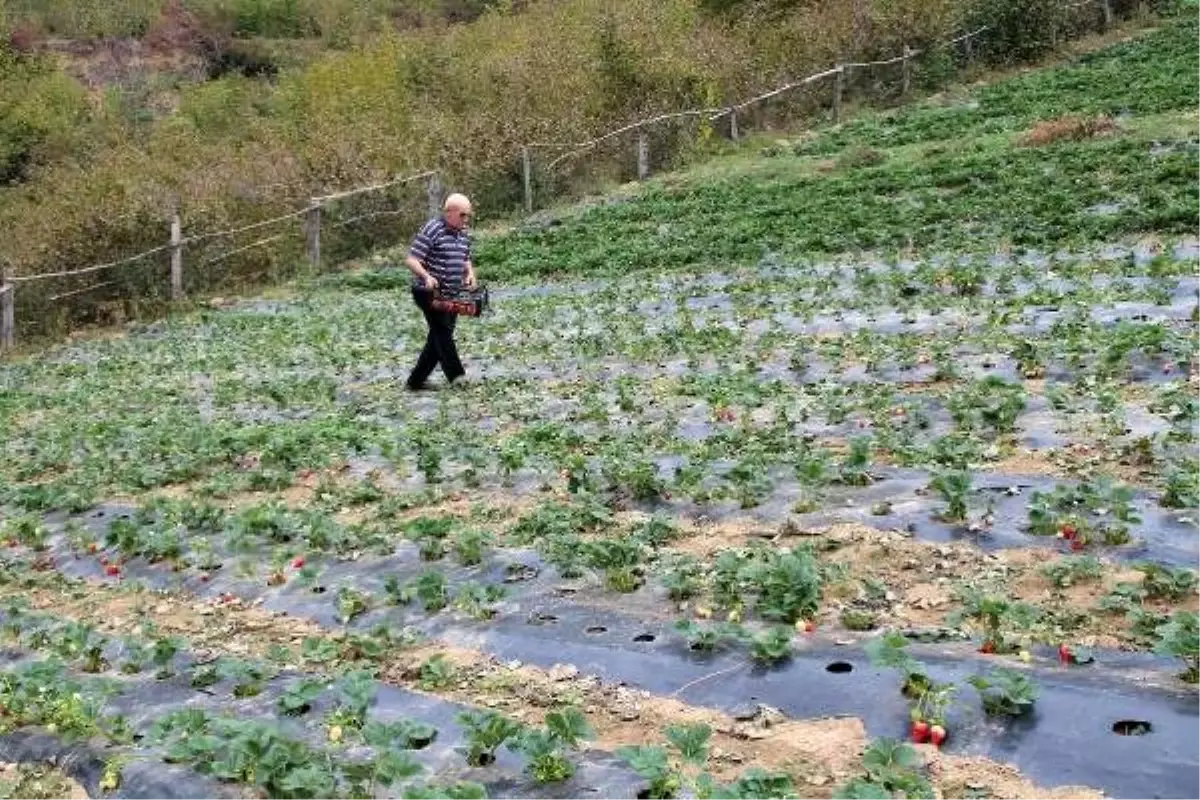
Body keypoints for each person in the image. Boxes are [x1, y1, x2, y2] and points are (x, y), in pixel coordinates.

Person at [404, 193, 478, 390]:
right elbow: (412, 259)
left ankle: (415, 381)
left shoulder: (463, 233)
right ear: (449, 212)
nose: (466, 219)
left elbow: (465, 257)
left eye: (468, 215)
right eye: (463, 215)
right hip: (428, 292)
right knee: (442, 331)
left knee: (438, 336)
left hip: (451, 292)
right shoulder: (433, 229)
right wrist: (427, 276)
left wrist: (469, 273)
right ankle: (457, 377)